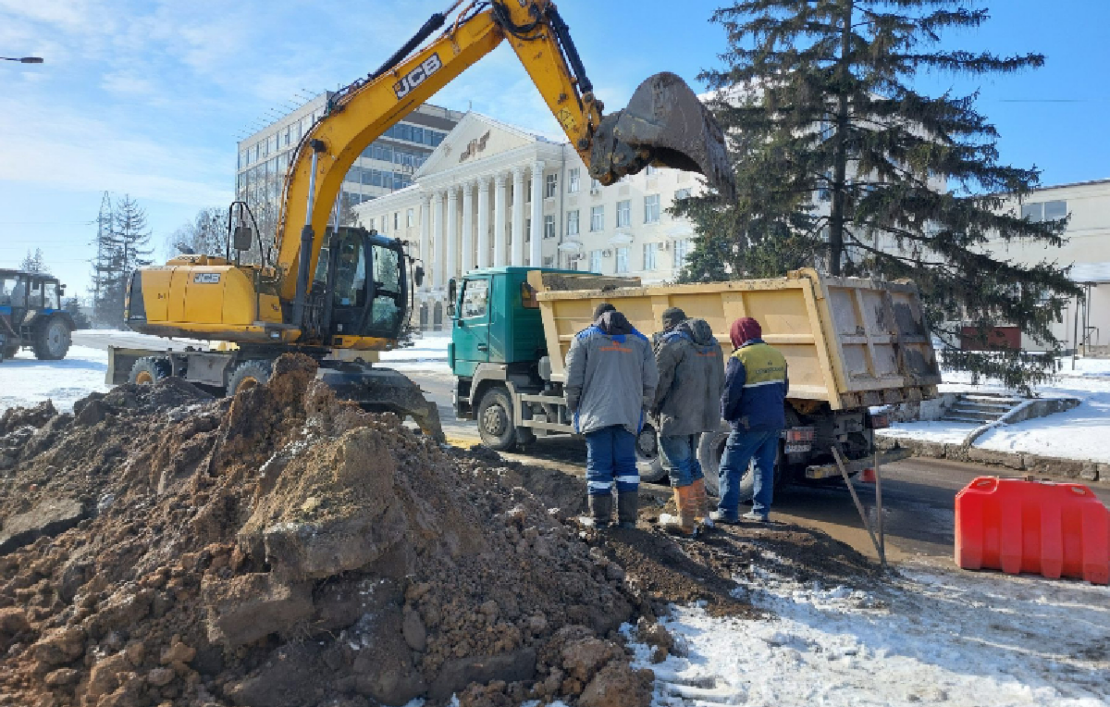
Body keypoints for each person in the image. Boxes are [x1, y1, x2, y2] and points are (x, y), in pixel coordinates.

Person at [565, 303, 658, 529]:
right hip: (628, 415)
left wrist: (573, 407)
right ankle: (628, 522)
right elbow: (651, 382)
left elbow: (572, 381)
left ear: (596, 319)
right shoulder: (641, 342)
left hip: (596, 416)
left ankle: (600, 522)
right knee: (627, 467)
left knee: (599, 468)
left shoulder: (584, 339)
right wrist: (641, 407)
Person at [652, 309, 724, 537]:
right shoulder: (712, 343)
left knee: (677, 466)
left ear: (669, 324)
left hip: (675, 415)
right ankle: (703, 515)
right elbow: (720, 382)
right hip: (701, 415)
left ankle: (685, 524)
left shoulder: (672, 344)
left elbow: (658, 383)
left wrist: (652, 409)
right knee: (691, 463)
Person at [713, 317, 788, 523]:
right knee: (763, 467)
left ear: (737, 335)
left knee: (730, 467)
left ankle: (727, 511)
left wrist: (726, 416)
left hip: (748, 424)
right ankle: (761, 511)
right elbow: (784, 389)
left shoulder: (740, 357)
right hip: (774, 422)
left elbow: (729, 394)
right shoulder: (777, 355)